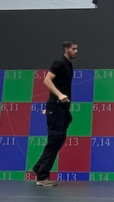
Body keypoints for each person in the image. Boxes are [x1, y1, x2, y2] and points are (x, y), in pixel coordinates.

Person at [31, 40, 78, 186]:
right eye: (73, 49)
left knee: (60, 136)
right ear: (66, 49)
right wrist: (58, 96)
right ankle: (42, 177)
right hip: (56, 106)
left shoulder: (68, 64)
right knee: (54, 141)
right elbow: (47, 80)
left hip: (60, 108)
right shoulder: (59, 63)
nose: (76, 51)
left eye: (77, 49)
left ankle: (38, 168)